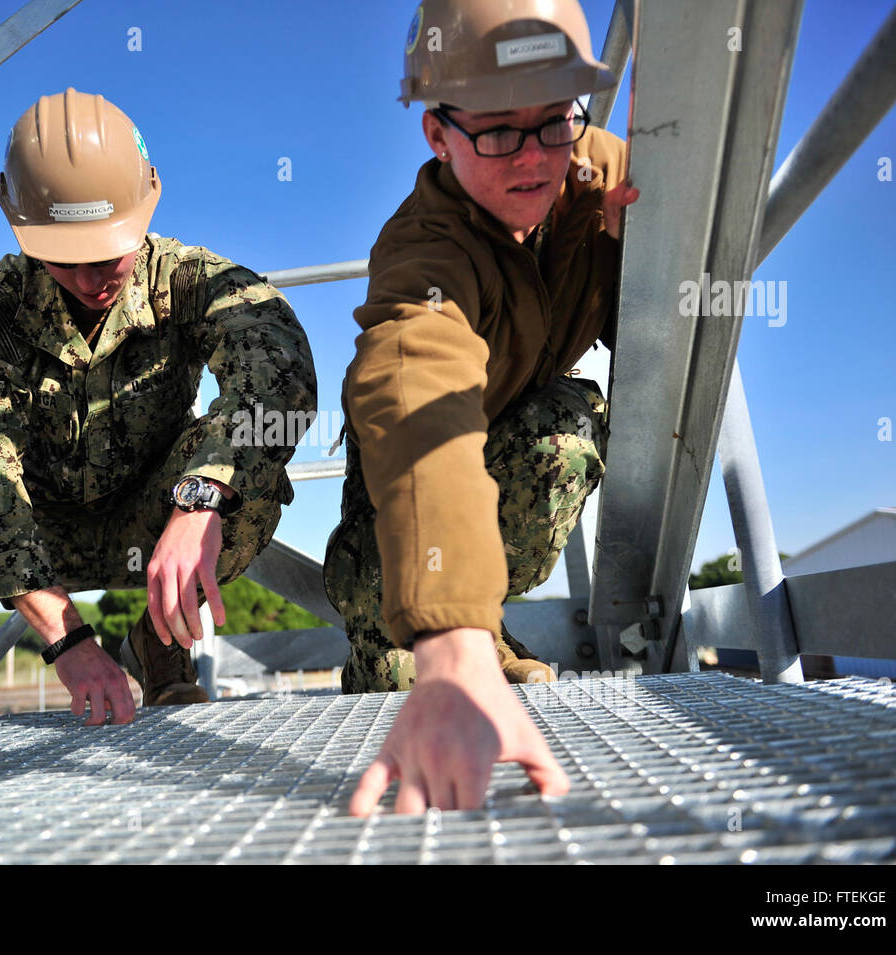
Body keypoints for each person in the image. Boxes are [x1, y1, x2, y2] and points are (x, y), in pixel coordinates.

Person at [0, 89, 317, 794]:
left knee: (251, 465)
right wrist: (67, 639)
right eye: (67, 259)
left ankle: (160, 640)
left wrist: (202, 495)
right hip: (27, 535)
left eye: (110, 252)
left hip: (150, 521)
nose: (94, 278)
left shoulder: (186, 278)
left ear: (145, 209)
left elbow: (282, 369)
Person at [323, 0, 640, 815]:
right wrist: (454, 646)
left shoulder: (601, 174)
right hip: (413, 500)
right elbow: (416, 382)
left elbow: (703, 208)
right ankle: (469, 632)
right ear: (437, 134)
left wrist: (641, 240)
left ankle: (480, 623)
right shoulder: (424, 249)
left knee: (563, 432)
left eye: (554, 122)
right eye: (499, 131)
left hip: (512, 450)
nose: (534, 158)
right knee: (393, 717)